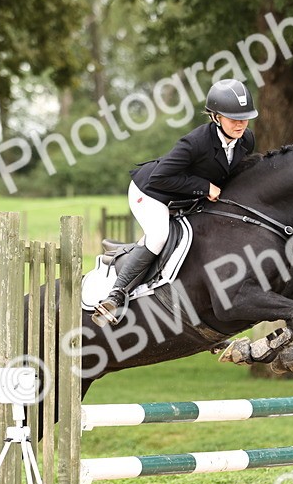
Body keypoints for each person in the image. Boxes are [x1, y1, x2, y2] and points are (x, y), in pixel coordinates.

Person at [92, 78, 258, 325]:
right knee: (159, 235)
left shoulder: (246, 140)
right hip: (150, 192)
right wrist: (204, 187)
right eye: (233, 117)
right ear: (215, 117)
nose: (240, 123)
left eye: (244, 117)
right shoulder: (195, 143)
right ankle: (115, 296)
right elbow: (161, 178)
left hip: (184, 198)